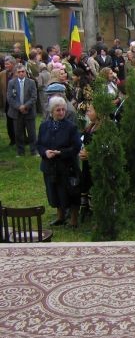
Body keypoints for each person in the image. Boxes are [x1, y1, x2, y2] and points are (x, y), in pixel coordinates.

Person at [37, 96, 82, 227]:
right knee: (54, 192)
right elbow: (39, 144)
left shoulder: (71, 127)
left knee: (71, 193)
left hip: (67, 166)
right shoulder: (44, 126)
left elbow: (76, 147)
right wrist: (45, 152)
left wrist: (61, 153)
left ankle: (73, 220)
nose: (61, 112)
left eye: (63, 109)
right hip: (49, 166)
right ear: (52, 111)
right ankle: (60, 217)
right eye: (58, 110)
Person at [7, 64, 37, 156]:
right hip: (16, 112)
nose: (21, 73)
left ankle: (34, 151)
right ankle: (20, 152)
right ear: (16, 73)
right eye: (19, 72)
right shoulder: (11, 83)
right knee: (18, 133)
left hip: (29, 111)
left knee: (32, 132)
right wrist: (19, 107)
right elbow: (10, 98)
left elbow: (34, 97)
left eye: (23, 71)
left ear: (25, 72)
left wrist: (25, 106)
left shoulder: (31, 82)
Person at [79, 104, 99, 222]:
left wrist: (90, 155)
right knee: (86, 184)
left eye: (90, 111)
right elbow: (83, 142)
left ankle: (95, 213)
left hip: (96, 166)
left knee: (93, 185)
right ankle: (86, 211)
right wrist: (81, 152)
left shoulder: (102, 130)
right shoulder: (89, 127)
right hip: (87, 165)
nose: (87, 113)